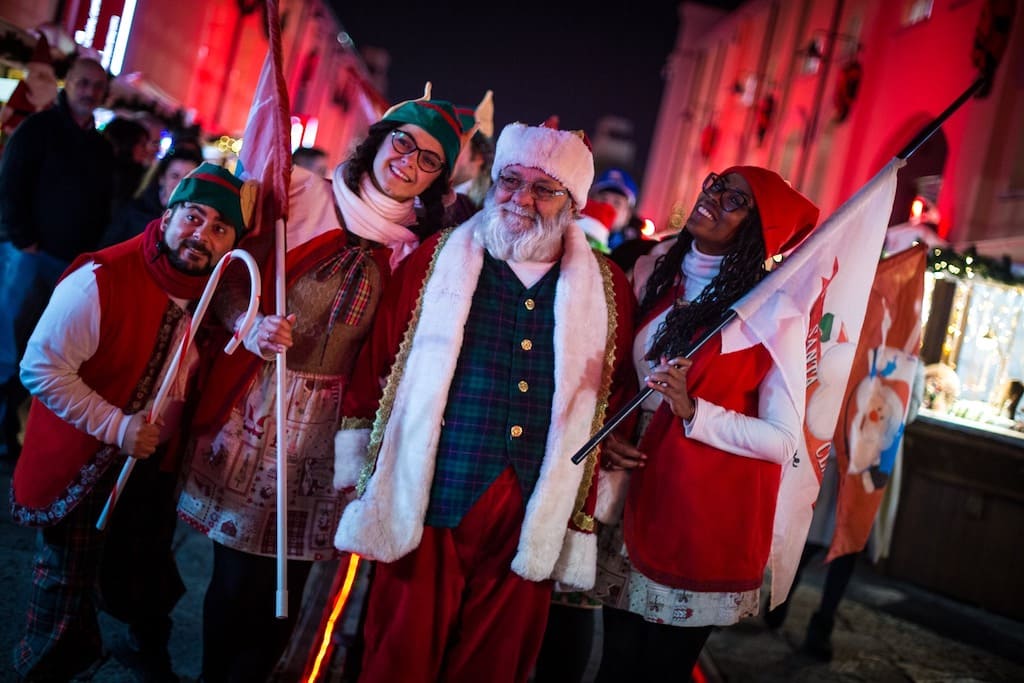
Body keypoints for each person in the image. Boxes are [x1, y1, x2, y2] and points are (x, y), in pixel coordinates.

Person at [331, 119, 638, 683]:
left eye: (543, 189)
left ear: (572, 203)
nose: (520, 198)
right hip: (431, 492)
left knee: (496, 663)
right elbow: (379, 359)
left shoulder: (608, 285)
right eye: (509, 181)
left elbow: (613, 391)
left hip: (531, 508)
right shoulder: (436, 257)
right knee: (398, 652)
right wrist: (359, 464)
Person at [175, 92, 466, 683]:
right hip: (263, 405)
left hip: (335, 435)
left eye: (429, 160)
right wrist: (247, 323)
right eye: (403, 142)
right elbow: (231, 272)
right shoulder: (303, 194)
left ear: (437, 179)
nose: (409, 162)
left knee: (294, 584)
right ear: (380, 141)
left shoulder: (420, 251)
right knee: (234, 580)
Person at [9, 163, 252, 682]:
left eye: (219, 228)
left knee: (145, 571)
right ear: (167, 215)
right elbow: (39, 368)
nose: (201, 235)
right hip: (83, 461)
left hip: (153, 464)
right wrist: (117, 427)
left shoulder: (211, 293)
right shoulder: (102, 279)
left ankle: (143, 648)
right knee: (65, 585)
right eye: (193, 217)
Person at [593, 166, 820, 680]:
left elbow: (784, 441)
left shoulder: (771, 312)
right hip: (633, 506)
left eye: (735, 200)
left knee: (658, 672)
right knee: (614, 666)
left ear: (757, 230)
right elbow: (622, 380)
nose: (713, 197)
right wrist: (614, 434)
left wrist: (693, 410)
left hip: (699, 521)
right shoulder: (653, 273)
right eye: (716, 184)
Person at [0, 57, 114, 463]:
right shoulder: (39, 129)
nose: (90, 92)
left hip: (69, 265)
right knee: (9, 343)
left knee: (45, 347)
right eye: (84, 83)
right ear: (69, 84)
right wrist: (23, 239)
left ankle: (11, 430)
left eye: (98, 87)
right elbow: (10, 183)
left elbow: (105, 206)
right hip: (30, 255)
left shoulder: (101, 147)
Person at [99, 146, 205, 248]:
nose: (181, 184)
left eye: (188, 178)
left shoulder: (202, 222)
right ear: (162, 179)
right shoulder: (133, 212)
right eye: (174, 176)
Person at [103, 116, 154, 213]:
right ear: (128, 144)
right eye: (142, 145)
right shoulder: (116, 176)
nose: (146, 151)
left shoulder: (138, 174)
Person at [591, 167, 639, 250]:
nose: (607, 206)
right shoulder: (569, 234)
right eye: (603, 199)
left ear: (628, 215)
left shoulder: (630, 252)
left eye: (617, 203)